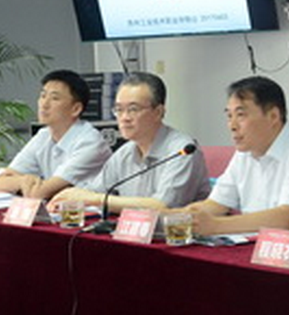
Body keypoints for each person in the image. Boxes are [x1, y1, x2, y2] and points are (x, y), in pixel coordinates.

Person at [182, 76, 289, 234]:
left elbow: (285, 218)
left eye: (241, 115)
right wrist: (176, 216)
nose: (232, 126)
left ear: (273, 116)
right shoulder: (245, 151)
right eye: (229, 116)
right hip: (260, 245)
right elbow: (215, 205)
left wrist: (215, 225)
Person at [50, 71, 209, 213]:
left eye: (133, 109)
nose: (124, 118)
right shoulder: (124, 153)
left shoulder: (183, 151)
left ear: (158, 112)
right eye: (119, 110)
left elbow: (163, 207)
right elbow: (94, 192)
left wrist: (96, 199)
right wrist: (71, 200)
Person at [0, 70, 111, 200]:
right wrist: (22, 181)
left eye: (54, 98)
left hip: (91, 211)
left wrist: (24, 183)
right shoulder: (43, 135)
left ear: (76, 109)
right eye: (43, 96)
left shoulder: (90, 143)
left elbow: (41, 192)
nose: (44, 104)